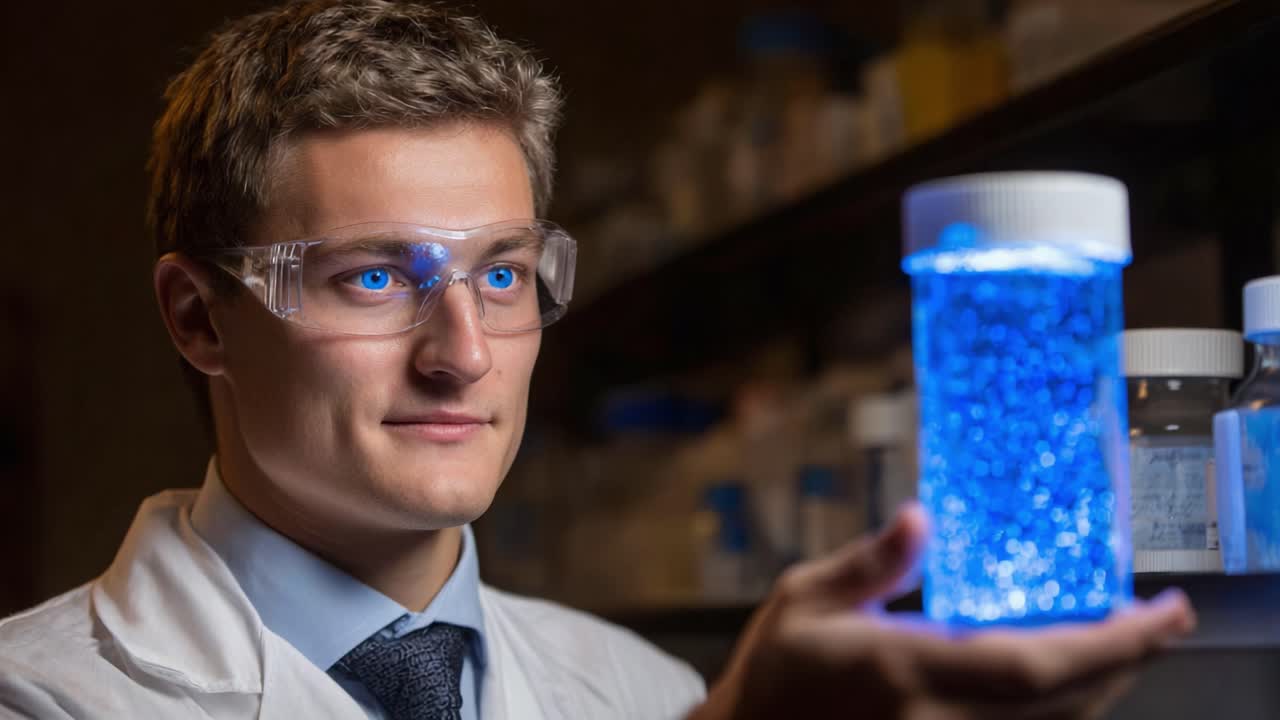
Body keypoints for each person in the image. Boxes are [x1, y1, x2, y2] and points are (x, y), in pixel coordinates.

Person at [0, 1, 1195, 718]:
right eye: (373, 278)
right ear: (200, 318)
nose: (463, 354)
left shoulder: (637, 690)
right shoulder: (43, 697)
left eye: (502, 275)